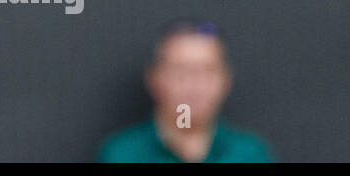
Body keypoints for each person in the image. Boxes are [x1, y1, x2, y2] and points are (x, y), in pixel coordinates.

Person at [99, 18, 276, 163]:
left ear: (226, 80)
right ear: (155, 79)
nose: (194, 85)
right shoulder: (122, 155)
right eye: (180, 71)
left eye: (207, 70)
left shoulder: (251, 155)